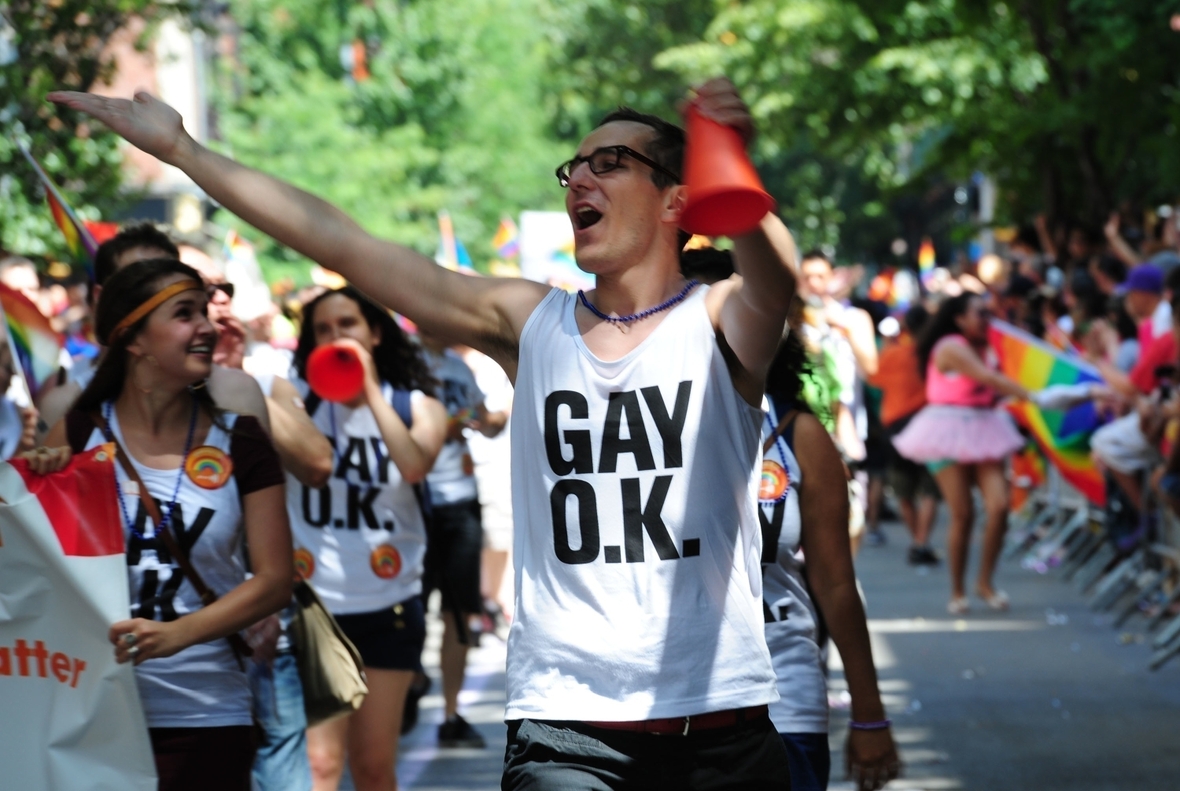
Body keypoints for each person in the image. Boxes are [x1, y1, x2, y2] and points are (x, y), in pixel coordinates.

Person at [52, 77, 803, 788]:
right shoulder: (529, 322)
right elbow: (344, 245)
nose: (580, 180)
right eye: (574, 166)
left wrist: (730, 164)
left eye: (612, 163)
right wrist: (185, 151)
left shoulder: (716, 319)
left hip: (720, 725)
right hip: (569, 730)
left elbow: (776, 280)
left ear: (679, 199)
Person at [23, 258, 293, 790]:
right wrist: (38, 489)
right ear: (134, 338)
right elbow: (28, 579)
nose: (208, 327)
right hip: (89, 713)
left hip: (208, 716)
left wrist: (178, 635)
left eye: (205, 313)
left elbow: (274, 580)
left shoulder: (241, 440)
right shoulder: (74, 434)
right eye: (185, 314)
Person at [289, 286, 447, 791]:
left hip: (390, 607)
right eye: (323, 330)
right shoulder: (292, 399)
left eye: (348, 325)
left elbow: (414, 465)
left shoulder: (417, 405)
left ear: (375, 333)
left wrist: (371, 388)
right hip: (317, 611)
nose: (337, 337)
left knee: (374, 768)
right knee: (319, 765)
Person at [762, 324, 900, 791]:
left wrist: (869, 713)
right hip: (660, 707)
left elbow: (836, 583)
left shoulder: (795, 435)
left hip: (781, 699)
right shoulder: (629, 428)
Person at [36, 223, 271, 438]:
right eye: (138, 284)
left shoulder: (237, 394)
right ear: (101, 298)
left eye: (170, 283)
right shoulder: (63, 408)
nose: (157, 295)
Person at [892, 293, 1030, 614]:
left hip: (985, 428)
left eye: (989, 312)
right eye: (980, 313)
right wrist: (1037, 396)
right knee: (963, 513)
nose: (987, 318)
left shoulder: (989, 347)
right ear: (959, 318)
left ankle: (985, 583)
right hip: (945, 430)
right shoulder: (952, 346)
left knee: (999, 506)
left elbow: (1000, 380)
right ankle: (957, 591)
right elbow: (988, 378)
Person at [416, 329, 508, 748]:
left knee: (459, 615)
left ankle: (451, 715)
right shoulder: (401, 363)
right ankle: (404, 687)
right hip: (413, 504)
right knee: (407, 612)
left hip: (461, 501)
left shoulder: (458, 366)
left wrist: (488, 420)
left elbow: (484, 420)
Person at [868, 306, 940, 565]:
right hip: (929, 425)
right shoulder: (933, 355)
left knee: (904, 489)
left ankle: (918, 541)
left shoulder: (893, 353)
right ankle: (922, 543)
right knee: (931, 488)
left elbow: (874, 379)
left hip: (895, 428)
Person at [0, 339, 38, 459]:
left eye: (14, 371)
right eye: (7, 367)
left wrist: (23, 447)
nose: (11, 376)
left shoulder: (14, 418)